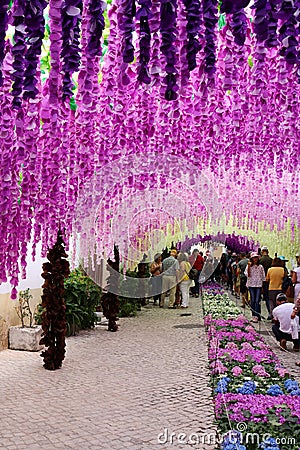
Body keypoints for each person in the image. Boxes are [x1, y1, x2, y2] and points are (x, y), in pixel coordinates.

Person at [246, 252, 265, 322]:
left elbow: (263, 277)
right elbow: (248, 275)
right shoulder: (249, 266)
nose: (255, 259)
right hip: (251, 285)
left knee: (257, 300)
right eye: (254, 258)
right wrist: (248, 266)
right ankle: (253, 315)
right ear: (251, 258)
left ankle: (257, 315)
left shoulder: (260, 267)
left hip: (258, 285)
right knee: (252, 300)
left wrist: (262, 286)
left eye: (256, 257)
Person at [259, 246, 273, 319]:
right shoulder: (271, 260)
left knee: (266, 298)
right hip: (271, 281)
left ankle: (266, 313)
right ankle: (271, 313)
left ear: (262, 252)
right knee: (270, 298)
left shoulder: (260, 260)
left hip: (263, 281)